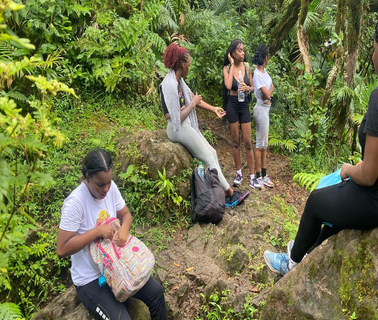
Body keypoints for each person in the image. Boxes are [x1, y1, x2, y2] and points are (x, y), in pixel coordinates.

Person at [264, 15, 378, 275]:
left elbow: (368, 175)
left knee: (317, 202)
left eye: (374, 48)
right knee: (336, 218)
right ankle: (309, 258)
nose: (373, 53)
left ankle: (292, 262)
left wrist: (347, 169)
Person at [57, 149, 169, 320]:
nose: (106, 189)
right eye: (100, 185)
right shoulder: (75, 203)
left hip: (116, 266)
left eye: (109, 182)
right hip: (91, 279)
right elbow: (62, 248)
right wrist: (97, 231)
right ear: (87, 178)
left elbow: (126, 215)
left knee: (156, 293)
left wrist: (123, 230)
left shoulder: (111, 188)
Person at [160, 42, 249, 206]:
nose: (189, 68)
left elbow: (195, 99)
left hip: (185, 124)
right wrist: (191, 104)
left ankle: (219, 190)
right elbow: (175, 117)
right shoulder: (169, 85)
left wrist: (213, 108)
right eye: (188, 65)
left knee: (213, 152)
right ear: (182, 64)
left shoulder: (179, 81)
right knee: (208, 157)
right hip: (177, 128)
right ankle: (230, 195)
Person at [222, 39, 263, 190]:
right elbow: (228, 85)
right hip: (232, 104)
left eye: (243, 50)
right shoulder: (227, 68)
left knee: (247, 142)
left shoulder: (247, 67)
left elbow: (253, 87)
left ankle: (252, 177)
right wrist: (232, 64)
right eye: (239, 50)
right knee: (235, 141)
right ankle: (239, 173)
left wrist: (248, 89)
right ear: (232, 53)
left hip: (244, 105)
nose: (243, 53)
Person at [252, 44, 275, 188]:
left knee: (265, 144)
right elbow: (266, 94)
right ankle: (258, 175)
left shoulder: (264, 72)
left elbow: (271, 87)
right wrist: (269, 91)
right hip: (260, 109)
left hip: (266, 110)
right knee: (259, 144)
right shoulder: (257, 74)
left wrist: (269, 91)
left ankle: (264, 175)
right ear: (265, 57)